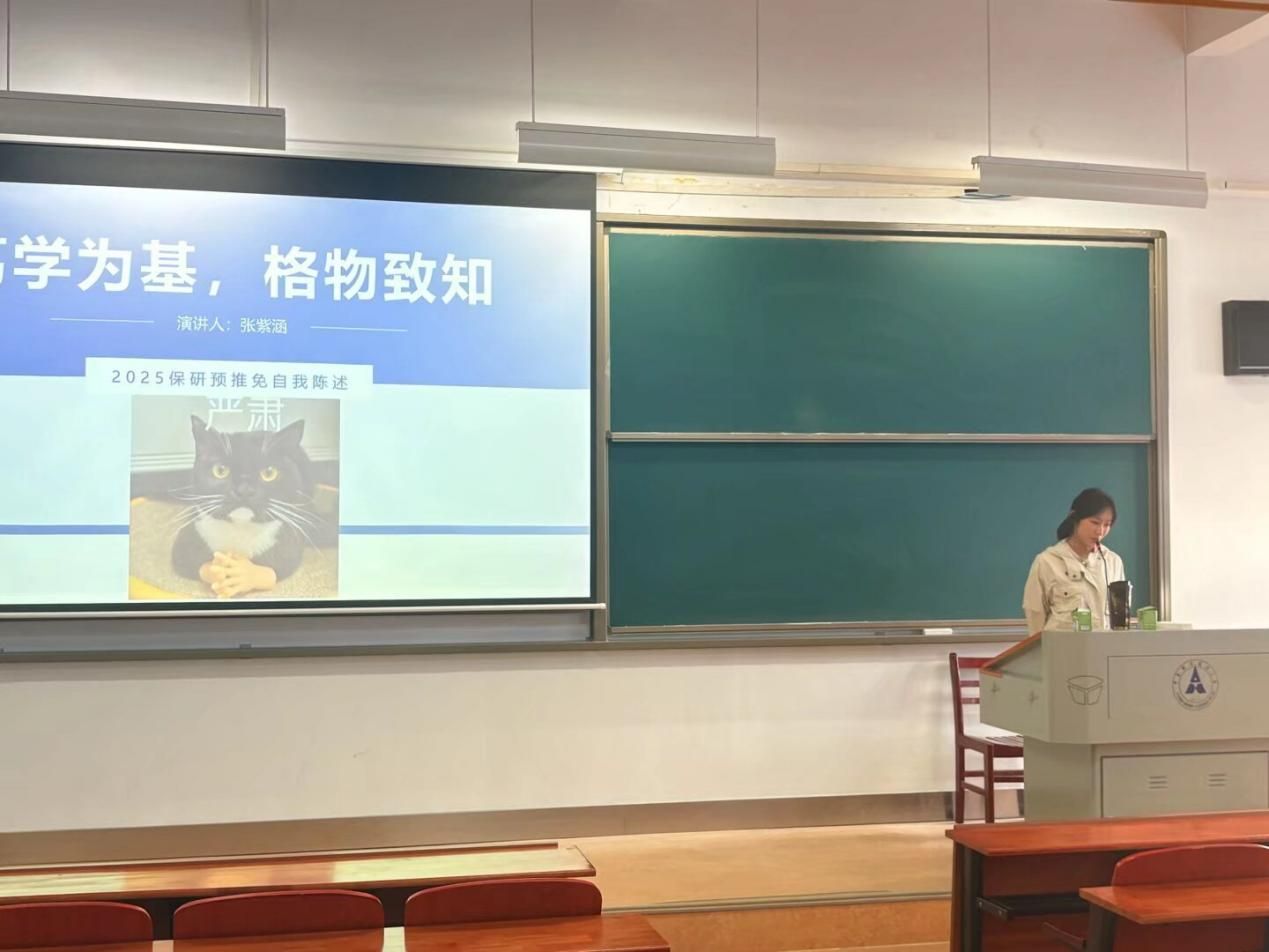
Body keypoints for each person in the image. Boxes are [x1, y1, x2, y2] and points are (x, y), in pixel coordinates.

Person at [1022, 488, 1126, 634]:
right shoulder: (1047, 562)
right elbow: (1035, 619)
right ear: (1075, 518)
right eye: (1095, 522)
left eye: (1107, 524)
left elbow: (1120, 615)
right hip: (1061, 647)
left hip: (1104, 647)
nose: (1100, 531)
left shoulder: (1113, 562)